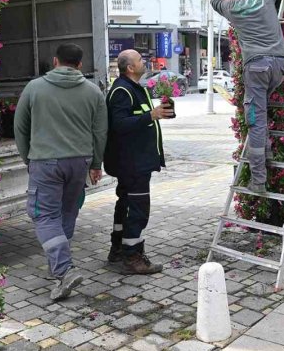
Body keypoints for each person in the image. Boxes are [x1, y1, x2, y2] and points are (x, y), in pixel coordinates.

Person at [14, 43, 108, 300]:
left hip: (45, 161)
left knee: (44, 215)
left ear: (55, 61)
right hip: (79, 161)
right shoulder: (93, 91)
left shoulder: (34, 88)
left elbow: (20, 128)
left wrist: (28, 158)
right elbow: (100, 132)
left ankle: (64, 270)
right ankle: (58, 264)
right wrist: (96, 164)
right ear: (80, 65)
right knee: (67, 211)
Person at [211, 0, 284, 193]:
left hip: (256, 67)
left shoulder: (232, 6)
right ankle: (267, 150)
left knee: (256, 121)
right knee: (261, 112)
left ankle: (258, 181)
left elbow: (215, 0)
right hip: (280, 66)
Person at [104, 49, 173, 274]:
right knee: (137, 208)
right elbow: (119, 124)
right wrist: (150, 115)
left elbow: (140, 119)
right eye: (140, 60)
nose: (145, 62)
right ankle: (132, 256)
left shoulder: (136, 88)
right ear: (130, 68)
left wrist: (158, 114)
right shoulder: (122, 91)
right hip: (132, 163)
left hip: (136, 161)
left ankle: (117, 249)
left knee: (126, 204)